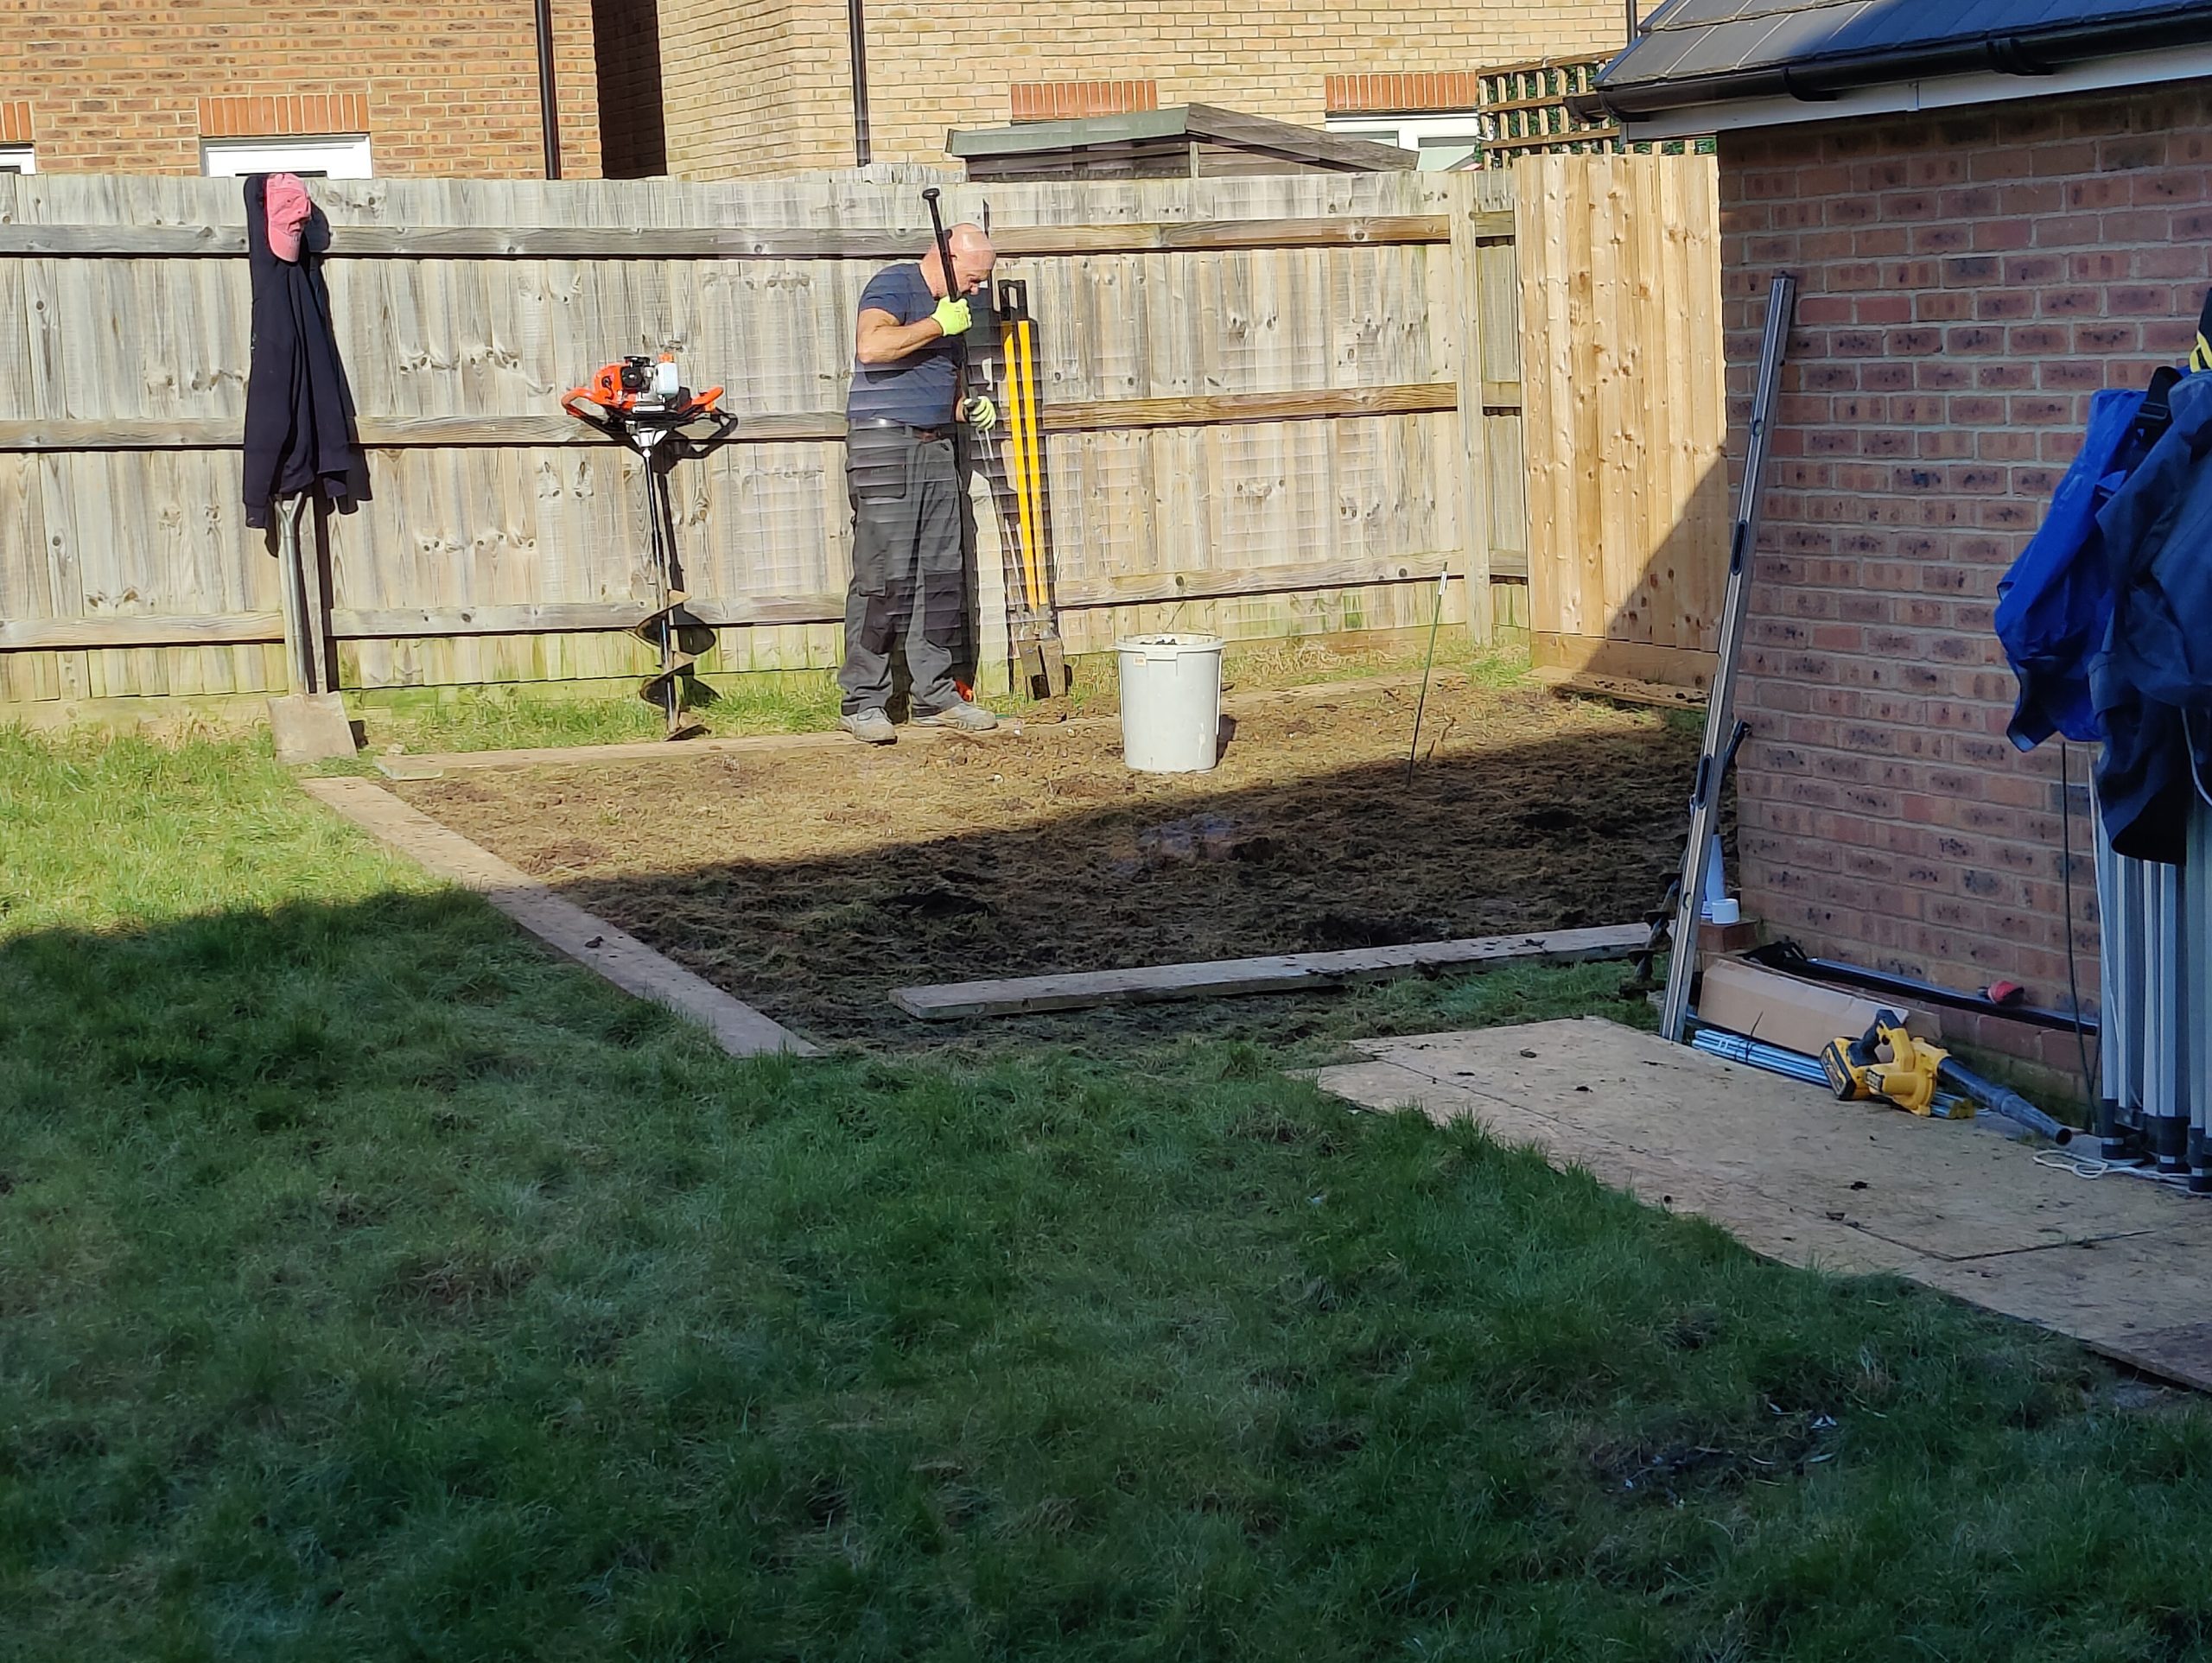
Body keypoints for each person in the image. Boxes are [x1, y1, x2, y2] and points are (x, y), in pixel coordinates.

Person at [837, 222, 1001, 743]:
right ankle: (862, 700)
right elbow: (873, 348)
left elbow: (930, 381)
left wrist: (965, 407)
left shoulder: (956, 310)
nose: (976, 290)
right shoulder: (895, 284)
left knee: (941, 573)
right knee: (882, 576)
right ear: (947, 257)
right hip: (883, 445)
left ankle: (936, 696)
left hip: (936, 446)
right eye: (973, 279)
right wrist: (937, 322)